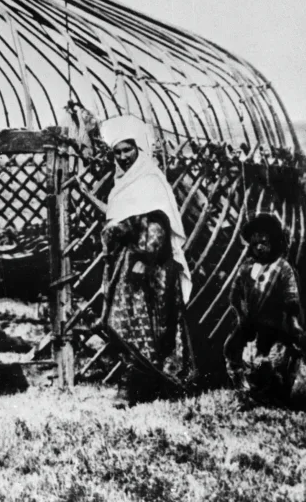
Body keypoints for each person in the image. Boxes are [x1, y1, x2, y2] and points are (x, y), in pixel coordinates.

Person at [97, 115, 195, 402]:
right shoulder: (123, 183)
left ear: (139, 148)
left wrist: (145, 260)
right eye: (118, 152)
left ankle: (140, 386)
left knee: (149, 325)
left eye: (128, 150)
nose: (124, 157)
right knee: (127, 322)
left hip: (151, 269)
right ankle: (139, 382)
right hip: (127, 266)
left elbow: (159, 226)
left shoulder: (150, 180)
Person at [224, 213, 306, 406]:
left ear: (274, 241)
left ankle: (270, 393)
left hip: (275, 324)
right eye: (254, 244)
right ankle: (243, 390)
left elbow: (291, 299)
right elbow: (235, 295)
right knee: (232, 348)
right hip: (250, 322)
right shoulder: (246, 268)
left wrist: (294, 324)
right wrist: (241, 315)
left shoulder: (282, 268)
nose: (259, 247)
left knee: (269, 358)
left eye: (264, 242)